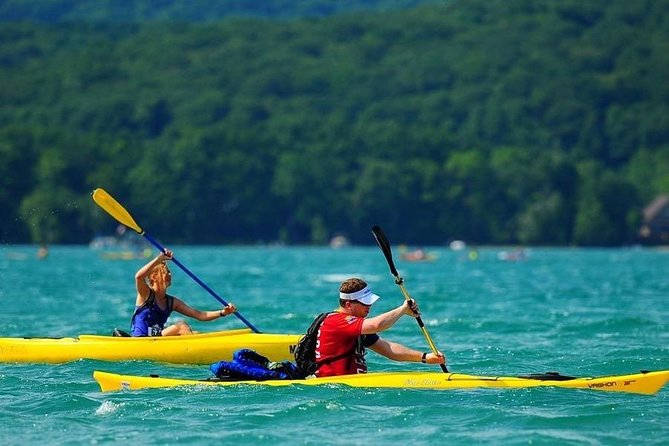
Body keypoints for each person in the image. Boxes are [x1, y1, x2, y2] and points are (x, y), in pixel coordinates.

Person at [314, 277, 445, 377]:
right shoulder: (336, 321)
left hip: (351, 388)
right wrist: (403, 310)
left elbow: (389, 349)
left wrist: (425, 357)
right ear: (348, 304)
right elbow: (377, 325)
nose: (369, 306)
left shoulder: (355, 326)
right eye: (365, 303)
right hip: (333, 387)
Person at [131, 249, 237, 336]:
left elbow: (200, 315)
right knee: (181, 326)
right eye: (165, 271)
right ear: (154, 277)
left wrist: (223, 313)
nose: (170, 274)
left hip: (156, 340)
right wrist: (159, 259)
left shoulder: (172, 302)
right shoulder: (145, 294)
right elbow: (139, 277)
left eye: (169, 271)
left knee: (195, 334)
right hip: (141, 341)